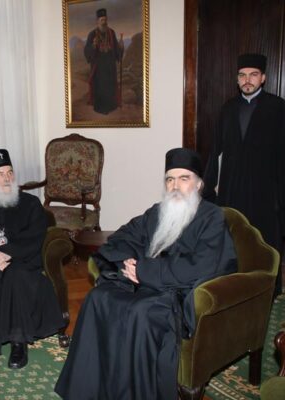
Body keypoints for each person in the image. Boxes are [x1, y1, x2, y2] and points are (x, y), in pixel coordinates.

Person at [55, 148, 237, 399]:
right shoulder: (157, 211)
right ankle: (88, 390)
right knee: (98, 298)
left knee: (140, 313)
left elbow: (201, 266)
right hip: (145, 282)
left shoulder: (212, 217)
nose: (175, 186)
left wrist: (144, 270)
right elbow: (123, 236)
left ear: (198, 184)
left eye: (184, 178)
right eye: (170, 179)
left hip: (178, 295)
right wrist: (129, 263)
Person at [203, 53, 285, 296]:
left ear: (263, 78)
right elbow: (217, 151)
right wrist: (210, 187)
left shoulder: (277, 107)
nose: (247, 80)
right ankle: (232, 289)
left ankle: (266, 291)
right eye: (242, 75)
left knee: (265, 242)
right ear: (237, 79)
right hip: (233, 189)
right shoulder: (228, 109)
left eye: (253, 75)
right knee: (233, 241)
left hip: (265, 192)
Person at [0, 149, 64, 370]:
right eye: (0, 174)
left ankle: (19, 341)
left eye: (10, 172)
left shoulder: (31, 204)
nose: (7, 178)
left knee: (16, 275)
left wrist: (8, 253)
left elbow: (36, 234)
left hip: (22, 260)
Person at [84, 8, 124, 115]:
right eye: (102, 20)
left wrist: (121, 48)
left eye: (105, 20)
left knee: (109, 87)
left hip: (110, 66)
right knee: (100, 88)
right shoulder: (92, 34)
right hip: (99, 67)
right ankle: (100, 108)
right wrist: (93, 45)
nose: (104, 22)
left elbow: (116, 48)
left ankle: (111, 106)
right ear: (97, 21)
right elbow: (87, 51)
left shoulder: (111, 32)